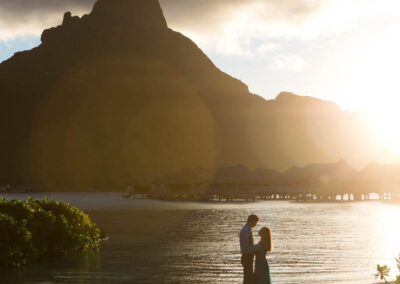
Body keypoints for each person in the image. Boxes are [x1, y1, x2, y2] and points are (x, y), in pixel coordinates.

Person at [239, 214, 264, 284]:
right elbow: (246, 248)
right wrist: (258, 246)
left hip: (247, 257)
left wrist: (256, 247)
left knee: (248, 278)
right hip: (247, 257)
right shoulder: (246, 231)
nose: (255, 225)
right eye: (255, 222)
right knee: (249, 278)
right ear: (251, 221)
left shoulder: (247, 229)